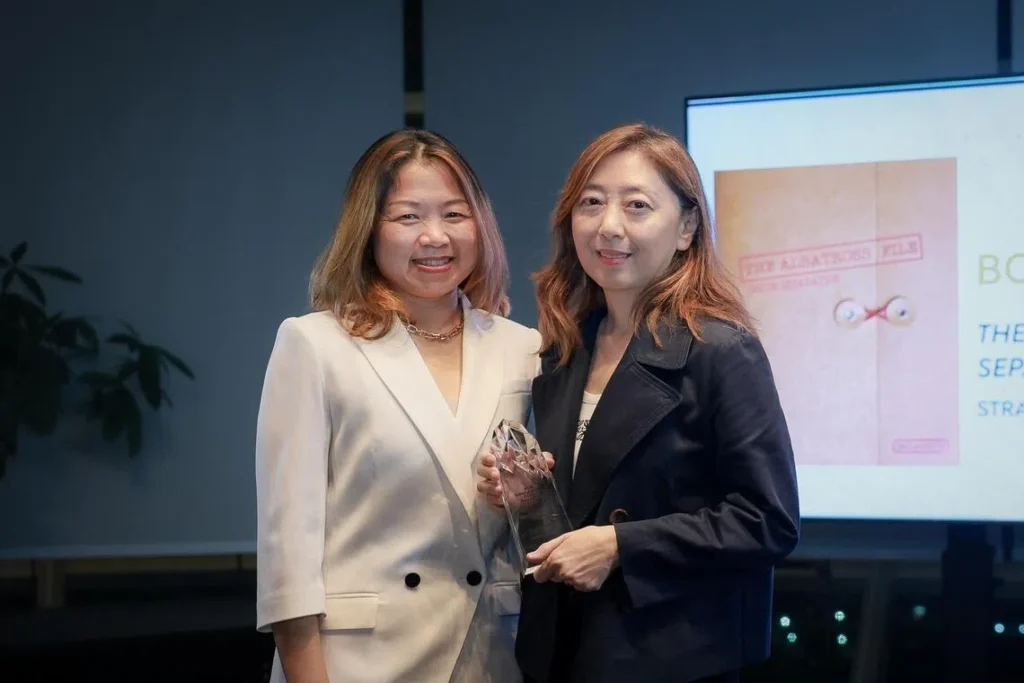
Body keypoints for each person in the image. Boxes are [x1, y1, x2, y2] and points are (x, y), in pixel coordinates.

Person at [477, 124, 801, 683]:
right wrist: (525, 494)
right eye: (592, 203)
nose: (609, 226)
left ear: (687, 227)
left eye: (637, 206)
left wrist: (621, 546)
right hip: (565, 651)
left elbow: (768, 521)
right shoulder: (565, 348)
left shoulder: (720, 349)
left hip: (674, 655)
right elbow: (589, 498)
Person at [256, 129, 540, 683]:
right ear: (368, 229)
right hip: (363, 661)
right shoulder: (316, 345)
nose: (435, 237)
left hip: (491, 654)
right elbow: (289, 553)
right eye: (408, 217)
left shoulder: (521, 347)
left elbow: (540, 519)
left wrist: (526, 494)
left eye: (454, 215)